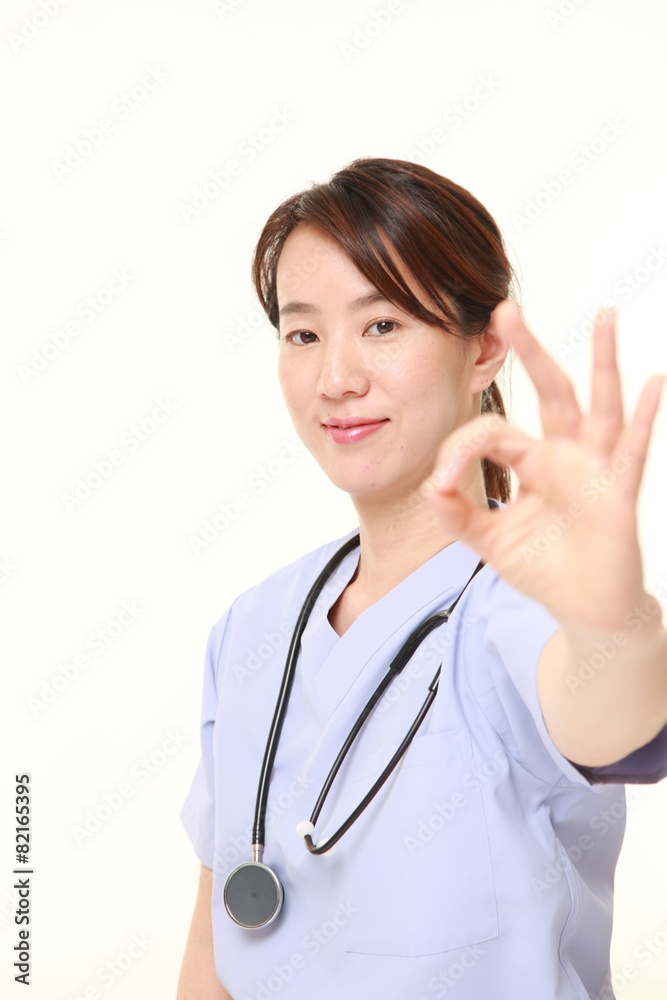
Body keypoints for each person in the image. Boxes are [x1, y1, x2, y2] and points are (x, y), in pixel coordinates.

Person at [176, 157, 667, 1000]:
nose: (336, 379)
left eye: (382, 325)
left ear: (483, 349)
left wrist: (613, 622)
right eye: (302, 334)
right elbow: (214, 940)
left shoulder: (522, 612)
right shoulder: (253, 628)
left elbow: (614, 713)